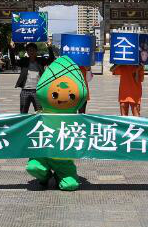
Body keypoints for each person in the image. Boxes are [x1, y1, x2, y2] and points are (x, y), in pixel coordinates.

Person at [25, 56, 89, 191]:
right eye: (54, 95)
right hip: (43, 154)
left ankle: (61, 174)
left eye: (72, 96)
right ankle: (45, 175)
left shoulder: (75, 119)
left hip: (63, 158)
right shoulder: (39, 116)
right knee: (34, 167)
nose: (63, 97)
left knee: (70, 185)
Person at [9, 41, 55, 113]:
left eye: (33, 50)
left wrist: (49, 47)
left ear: (36, 51)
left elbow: (51, 59)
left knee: (39, 112)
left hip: (38, 91)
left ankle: (39, 124)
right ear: (27, 52)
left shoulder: (41, 60)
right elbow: (13, 62)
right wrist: (12, 48)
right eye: (29, 50)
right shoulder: (24, 61)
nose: (31, 52)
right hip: (25, 91)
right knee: (23, 113)